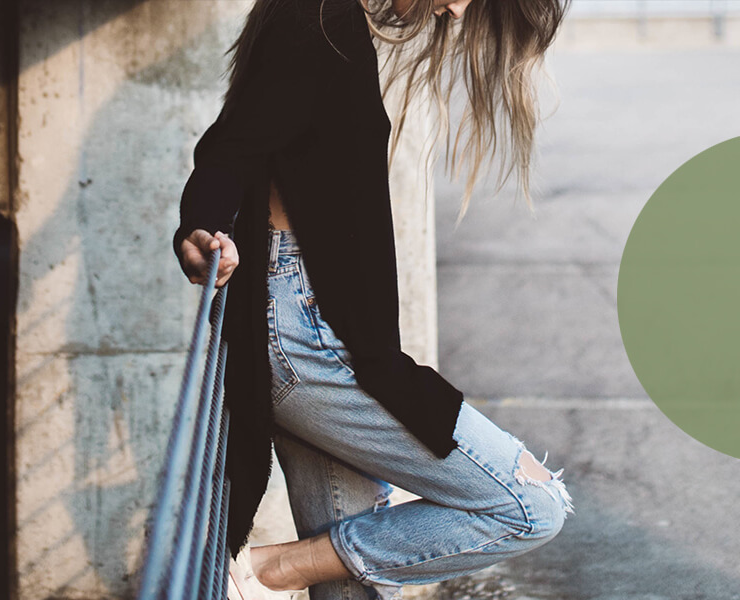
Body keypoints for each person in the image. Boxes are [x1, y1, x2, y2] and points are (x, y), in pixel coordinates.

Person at [172, 0, 574, 598]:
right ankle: (267, 571)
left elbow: (241, 142)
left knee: (348, 585)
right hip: (307, 338)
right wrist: (199, 227)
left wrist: (202, 224)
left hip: (308, 326)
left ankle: (278, 568)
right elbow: (233, 145)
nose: (457, 10)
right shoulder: (320, 20)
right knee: (532, 505)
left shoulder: (327, 20)